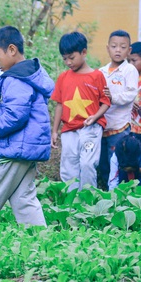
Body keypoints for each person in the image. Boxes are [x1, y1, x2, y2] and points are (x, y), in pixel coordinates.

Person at [0, 26, 54, 226]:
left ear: (11, 50)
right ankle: (40, 239)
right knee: (23, 199)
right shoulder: (29, 75)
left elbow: (16, 115)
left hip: (15, 149)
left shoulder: (16, 78)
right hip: (26, 147)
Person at [51, 32, 110, 190]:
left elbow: (106, 102)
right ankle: (71, 202)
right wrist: (55, 131)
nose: (68, 62)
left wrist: (94, 117)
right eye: (64, 58)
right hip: (69, 129)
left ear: (84, 52)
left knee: (87, 164)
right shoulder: (63, 77)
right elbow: (59, 104)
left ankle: (87, 200)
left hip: (91, 128)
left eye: (71, 57)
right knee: (68, 165)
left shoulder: (97, 76)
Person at [98, 30, 139, 188]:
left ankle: (119, 193)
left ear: (129, 51)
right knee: (103, 163)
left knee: (117, 161)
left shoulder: (130, 70)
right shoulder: (101, 71)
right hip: (102, 126)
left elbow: (130, 94)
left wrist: (111, 98)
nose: (118, 50)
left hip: (119, 126)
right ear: (108, 48)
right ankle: (104, 191)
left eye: (122, 47)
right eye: (114, 46)